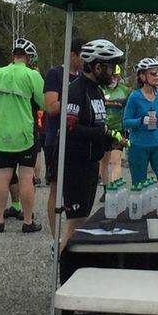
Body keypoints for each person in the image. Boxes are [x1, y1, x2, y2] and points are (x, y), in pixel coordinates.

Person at [59, 39, 122, 246]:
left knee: (83, 219)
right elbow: (69, 129)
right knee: (75, 222)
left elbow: (96, 125)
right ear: (97, 67)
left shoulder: (97, 91)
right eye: (110, 67)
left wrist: (110, 141)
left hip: (90, 163)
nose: (112, 72)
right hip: (75, 164)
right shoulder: (76, 91)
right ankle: (62, 258)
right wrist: (100, 132)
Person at [0, 40, 46, 233]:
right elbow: (44, 103)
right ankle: (27, 222)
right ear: (28, 57)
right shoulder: (32, 75)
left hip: (1, 133)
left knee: (3, 175)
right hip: (24, 133)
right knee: (26, 176)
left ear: (14, 55)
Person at [41, 38, 85, 231]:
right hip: (56, 139)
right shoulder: (55, 74)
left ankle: (72, 232)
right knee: (56, 189)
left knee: (77, 190)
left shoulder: (84, 77)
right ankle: (55, 237)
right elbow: (51, 106)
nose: (85, 61)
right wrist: (73, 100)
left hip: (78, 140)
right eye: (83, 56)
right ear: (72, 55)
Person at [121, 58, 158, 185]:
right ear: (143, 76)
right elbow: (125, 122)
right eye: (153, 74)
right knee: (140, 185)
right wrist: (141, 120)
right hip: (138, 146)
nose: (157, 76)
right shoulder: (134, 97)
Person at [101, 62, 129, 185]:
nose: (113, 79)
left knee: (116, 160)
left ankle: (115, 189)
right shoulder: (100, 88)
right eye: (111, 76)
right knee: (104, 161)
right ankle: (106, 188)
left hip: (118, 130)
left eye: (115, 76)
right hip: (102, 129)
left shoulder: (125, 90)